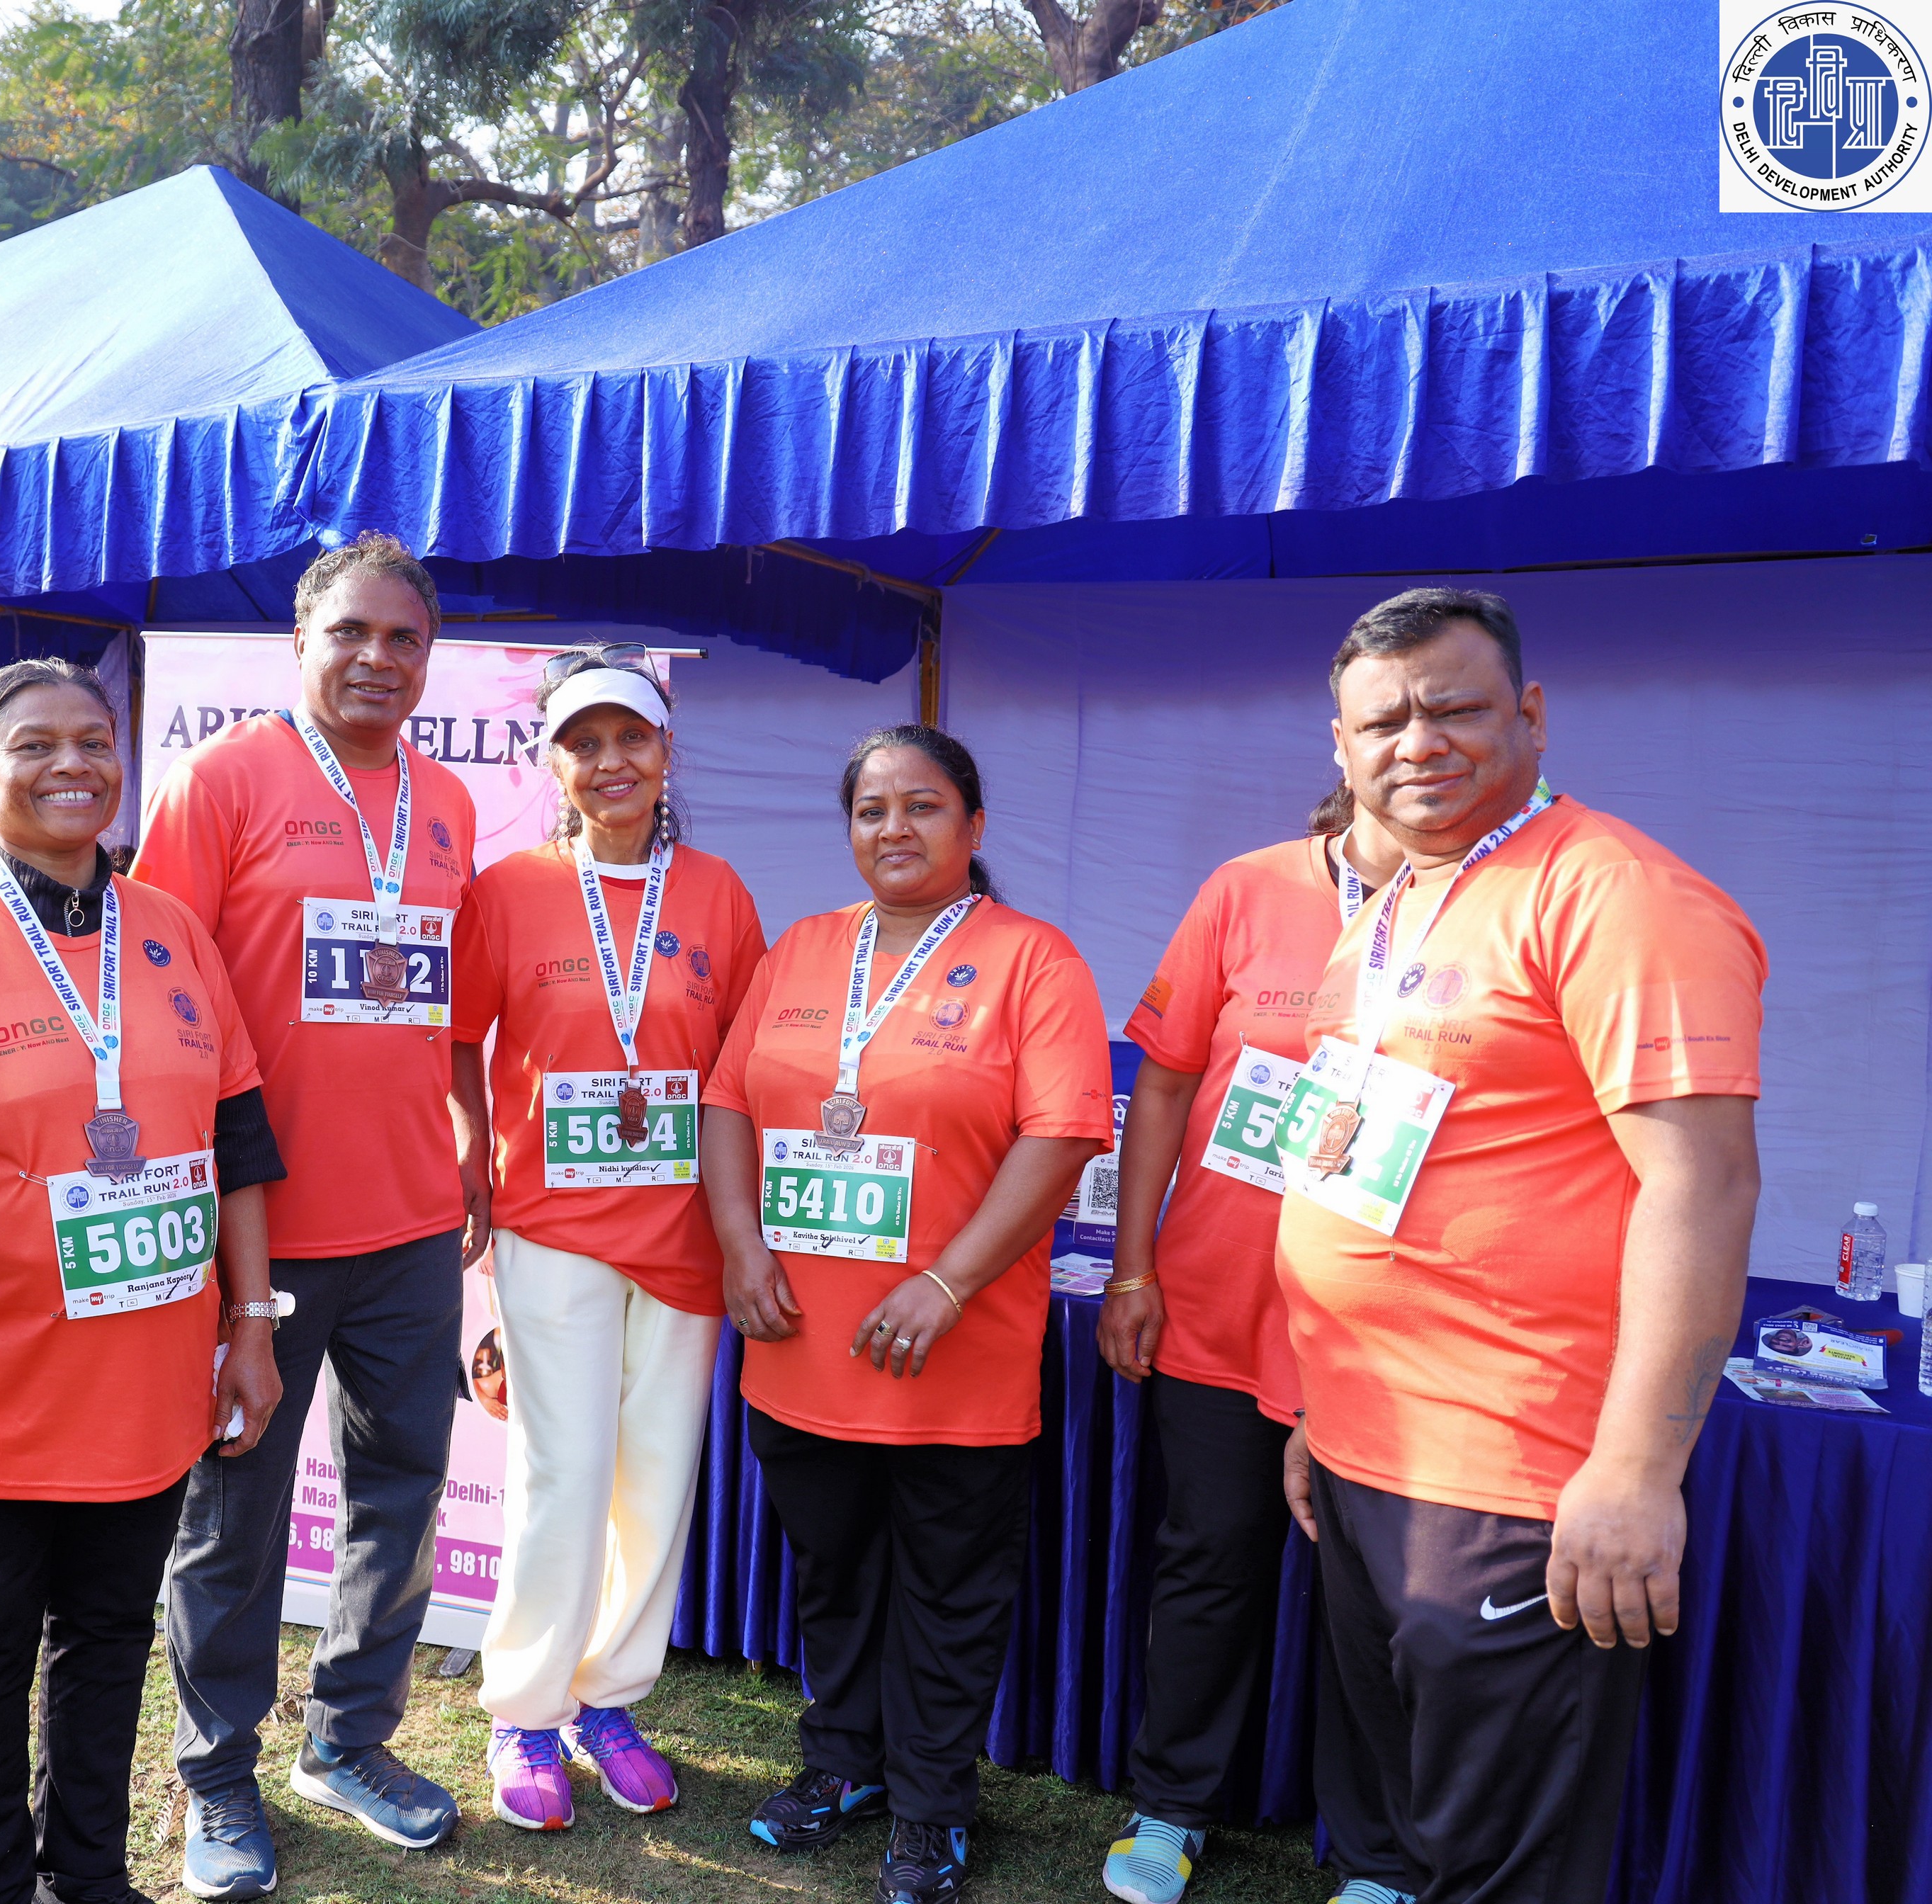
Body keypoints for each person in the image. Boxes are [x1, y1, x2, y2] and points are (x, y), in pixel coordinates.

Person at [1277, 589, 1763, 1904]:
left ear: (1531, 715)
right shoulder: (1397, 903)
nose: (1417, 743)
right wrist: (1321, 1404)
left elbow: (1703, 1184)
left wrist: (1636, 1470)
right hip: (1370, 1445)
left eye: (1453, 707)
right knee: (1413, 1820)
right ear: (1340, 745)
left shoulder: (1616, 894)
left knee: (1502, 1860)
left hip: (1517, 1469)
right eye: (1383, 721)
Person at [0, 657, 288, 1904]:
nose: (73, 763)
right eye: (32, 744)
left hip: (148, 1385)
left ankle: (88, 1874)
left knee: (111, 1635)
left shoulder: (173, 932)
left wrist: (250, 1327)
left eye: (94, 738)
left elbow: (237, 1144)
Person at [701, 725, 1112, 1904]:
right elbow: (726, 1102)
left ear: (972, 825)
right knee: (832, 1574)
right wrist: (740, 1245)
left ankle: (931, 1804)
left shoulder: (1033, 959)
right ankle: (843, 1763)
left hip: (953, 1355)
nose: (894, 827)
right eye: (871, 808)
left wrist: (947, 1282)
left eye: (922, 805)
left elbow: (1062, 1135)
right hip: (797, 1343)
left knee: (947, 1589)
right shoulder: (801, 948)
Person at [132, 531, 481, 1895]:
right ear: (299, 642)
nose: (377, 658)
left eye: (404, 639)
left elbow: (438, 1003)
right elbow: (158, 1001)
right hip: (261, 1227)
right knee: (233, 1516)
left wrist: (470, 1140)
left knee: (400, 1495)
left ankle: (348, 1739)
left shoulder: (447, 800)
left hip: (410, 1225)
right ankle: (215, 1773)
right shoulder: (222, 780)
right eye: (351, 632)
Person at [451, 646, 767, 1832]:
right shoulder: (508, 890)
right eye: (583, 743)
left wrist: (745, 1222)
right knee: (564, 1472)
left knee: (656, 1475)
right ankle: (526, 1709)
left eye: (630, 737)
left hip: (683, 1232)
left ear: (666, 752)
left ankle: (610, 1698)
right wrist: (470, 1154)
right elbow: (457, 1039)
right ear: (553, 765)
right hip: (553, 1224)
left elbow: (746, 1064)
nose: (610, 761)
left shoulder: (718, 893)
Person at [1092, 787, 1408, 1904]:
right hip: (1223, 1301)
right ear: (1347, 756)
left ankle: (1379, 1856)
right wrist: (1134, 1268)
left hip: (1382, 1327)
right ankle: (1172, 1805)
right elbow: (1164, 1084)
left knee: (1373, 1592)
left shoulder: (1490, 907)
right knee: (1209, 1560)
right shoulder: (1247, 888)